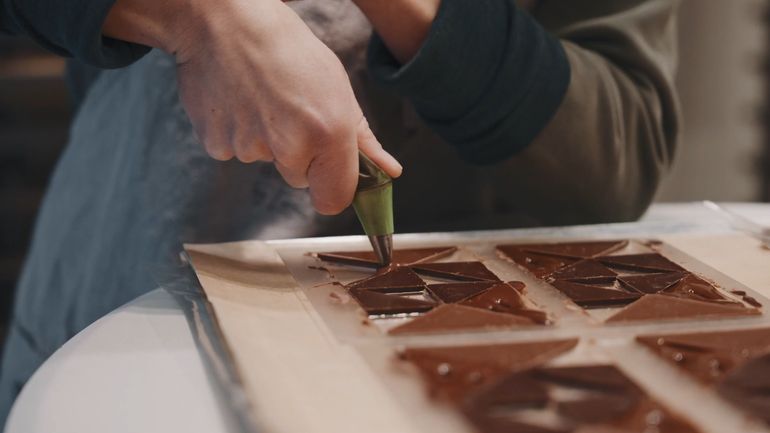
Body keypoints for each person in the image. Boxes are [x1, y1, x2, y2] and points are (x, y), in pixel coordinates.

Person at [0, 0, 680, 424]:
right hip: (107, 317)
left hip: (416, 374)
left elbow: (615, 161)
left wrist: (413, 12)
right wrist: (199, 14)